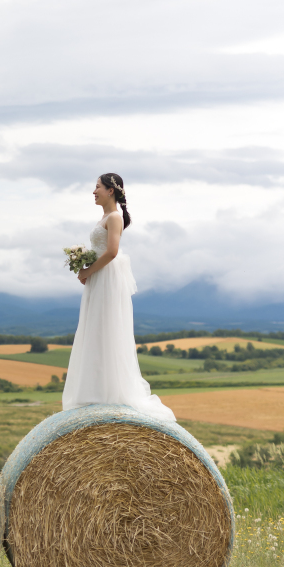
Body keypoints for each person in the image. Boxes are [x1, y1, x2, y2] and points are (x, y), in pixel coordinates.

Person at [62, 172, 176, 421]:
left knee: (105, 329)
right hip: (100, 277)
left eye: (97, 187)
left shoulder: (114, 217)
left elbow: (112, 251)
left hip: (105, 277)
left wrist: (88, 270)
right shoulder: (105, 216)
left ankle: (106, 392)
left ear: (110, 190)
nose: (94, 192)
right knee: (95, 330)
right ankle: (95, 390)